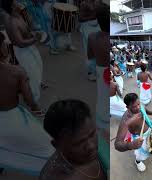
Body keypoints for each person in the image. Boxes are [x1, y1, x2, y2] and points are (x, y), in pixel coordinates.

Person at [0, 31, 53, 175]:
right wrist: (36, 109)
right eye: (4, 43)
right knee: (47, 149)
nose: (7, 45)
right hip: (12, 117)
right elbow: (29, 99)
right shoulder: (16, 72)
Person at [40, 99, 108, 179]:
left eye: (92, 134)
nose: (91, 146)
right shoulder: (56, 176)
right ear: (57, 145)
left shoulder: (104, 139)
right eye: (79, 143)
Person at [2, 0, 44, 102]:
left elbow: (26, 30)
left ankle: (36, 86)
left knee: (38, 67)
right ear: (12, 6)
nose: (19, 2)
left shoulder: (19, 15)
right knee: (32, 74)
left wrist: (33, 33)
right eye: (16, 2)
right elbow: (19, 43)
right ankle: (34, 102)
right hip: (24, 51)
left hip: (30, 47)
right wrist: (35, 39)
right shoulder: (12, 22)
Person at [114, 93, 152, 172]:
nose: (138, 107)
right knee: (141, 154)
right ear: (127, 107)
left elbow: (146, 110)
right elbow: (117, 144)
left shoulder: (140, 106)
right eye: (134, 106)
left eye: (138, 104)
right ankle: (138, 161)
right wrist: (130, 145)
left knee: (150, 148)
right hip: (140, 138)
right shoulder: (126, 120)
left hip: (150, 129)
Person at [87, 3, 109, 129]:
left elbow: (90, 57)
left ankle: (102, 119)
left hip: (100, 69)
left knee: (102, 93)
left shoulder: (92, 37)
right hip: (109, 69)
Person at [79, 0, 101, 81]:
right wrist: (93, 17)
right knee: (89, 52)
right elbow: (80, 18)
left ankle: (95, 71)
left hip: (96, 28)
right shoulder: (84, 4)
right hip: (87, 29)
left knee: (97, 51)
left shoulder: (97, 2)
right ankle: (90, 73)